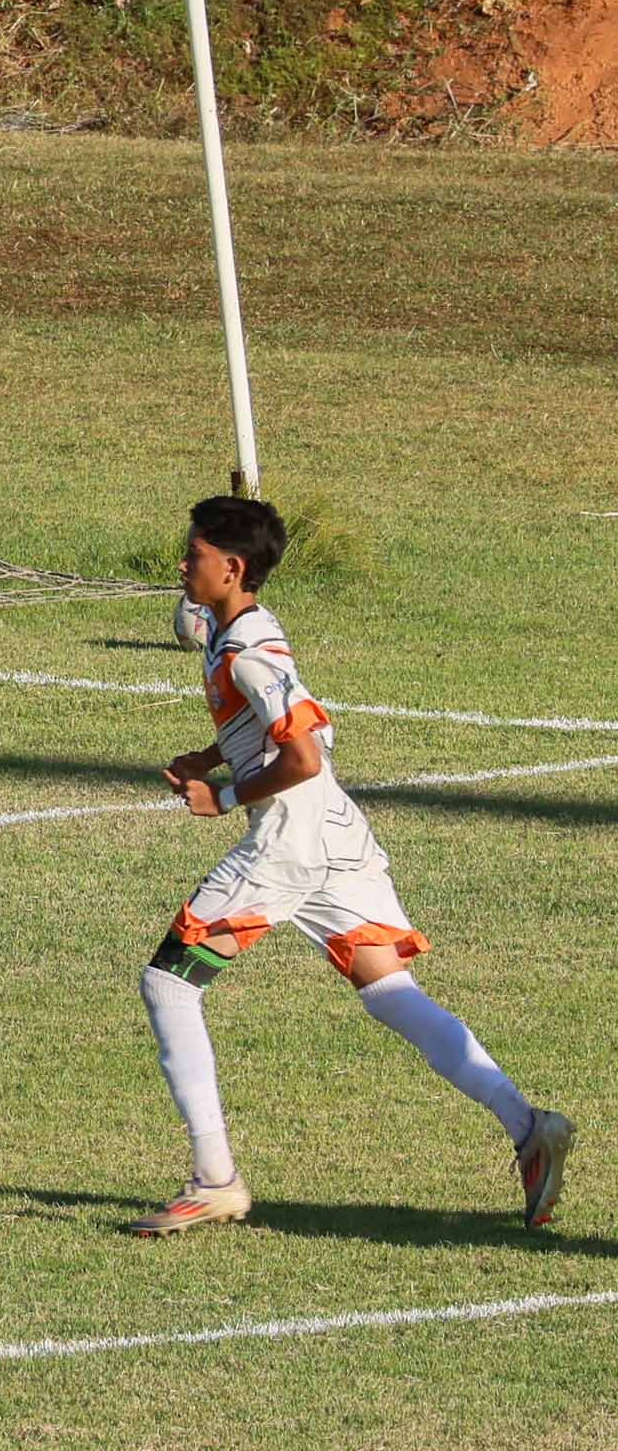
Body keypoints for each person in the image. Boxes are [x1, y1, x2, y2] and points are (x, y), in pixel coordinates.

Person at [134, 493, 572, 1236]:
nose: (182, 563)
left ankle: (214, 1179)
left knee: (167, 984)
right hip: (335, 836)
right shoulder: (239, 632)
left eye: (194, 554)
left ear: (230, 566)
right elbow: (295, 722)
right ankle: (528, 1125)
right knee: (389, 991)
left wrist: (224, 793)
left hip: (290, 842)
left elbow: (301, 757)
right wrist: (210, 755)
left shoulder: (247, 651)